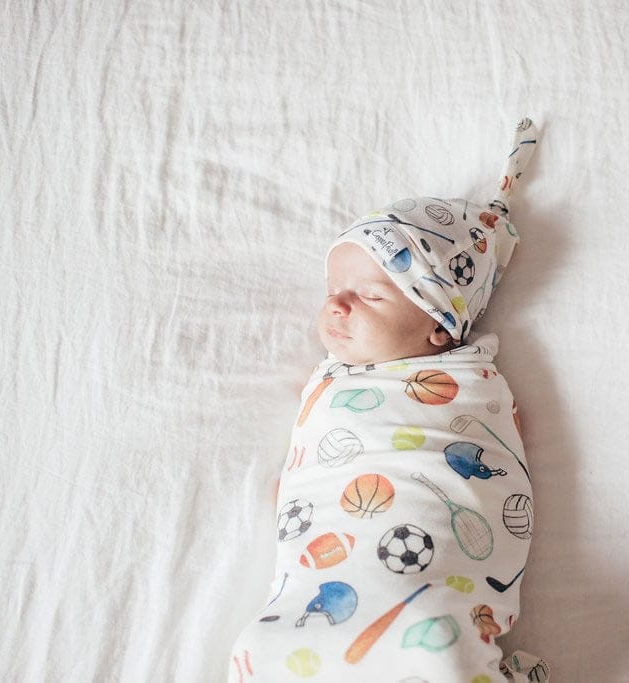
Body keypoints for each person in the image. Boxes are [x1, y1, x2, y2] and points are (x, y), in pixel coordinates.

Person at [229, 120, 548, 682]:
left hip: (424, 576)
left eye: (371, 296)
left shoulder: (472, 380)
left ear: (439, 327)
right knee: (259, 646)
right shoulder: (331, 378)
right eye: (333, 292)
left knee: (435, 637)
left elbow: (496, 456)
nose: (338, 306)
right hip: (318, 569)